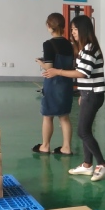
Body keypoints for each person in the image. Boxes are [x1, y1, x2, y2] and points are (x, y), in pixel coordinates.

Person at [43, 15, 105, 182]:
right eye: (71, 29)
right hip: (88, 93)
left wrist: (57, 71)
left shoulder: (90, 48)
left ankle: (102, 164)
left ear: (83, 29)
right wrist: (81, 93)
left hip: (93, 94)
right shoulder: (84, 48)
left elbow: (82, 73)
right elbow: (86, 75)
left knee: (83, 131)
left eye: (74, 29)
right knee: (85, 129)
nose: (72, 32)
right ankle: (87, 165)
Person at [33, 13, 75, 155]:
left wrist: (40, 62)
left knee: (47, 116)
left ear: (49, 26)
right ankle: (66, 147)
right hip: (66, 83)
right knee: (64, 117)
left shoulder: (48, 44)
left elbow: (49, 67)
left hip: (53, 84)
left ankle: (45, 146)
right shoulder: (69, 44)